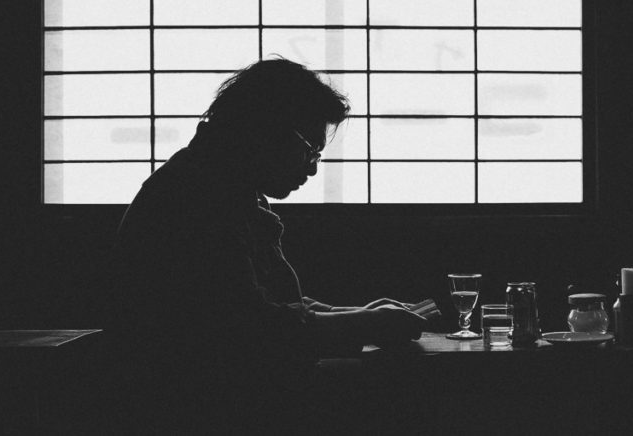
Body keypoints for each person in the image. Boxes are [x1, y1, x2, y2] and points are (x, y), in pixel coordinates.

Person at [105, 58, 426, 433]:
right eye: (311, 151)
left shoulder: (220, 184)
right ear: (270, 130)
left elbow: (266, 304)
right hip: (198, 406)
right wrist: (364, 323)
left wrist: (356, 313)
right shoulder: (194, 198)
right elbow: (251, 331)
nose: (312, 169)